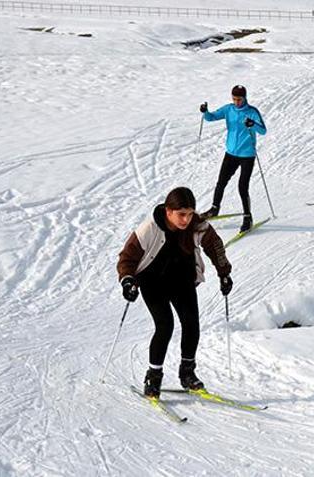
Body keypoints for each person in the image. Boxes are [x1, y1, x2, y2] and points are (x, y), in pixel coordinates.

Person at [117, 187, 233, 399]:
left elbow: (215, 246)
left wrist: (224, 273)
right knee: (165, 325)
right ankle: (153, 377)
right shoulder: (149, 228)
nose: (186, 220)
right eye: (181, 214)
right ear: (168, 211)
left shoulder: (197, 225)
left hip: (182, 279)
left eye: (190, 214)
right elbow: (127, 257)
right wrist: (127, 280)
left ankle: (187, 373)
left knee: (191, 322)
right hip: (152, 281)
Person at [199, 85, 267, 232]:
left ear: (245, 97)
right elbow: (212, 117)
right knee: (221, 182)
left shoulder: (252, 112)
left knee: (242, 186)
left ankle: (248, 217)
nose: (236, 102)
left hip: (247, 155)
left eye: (239, 99)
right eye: (234, 99)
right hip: (231, 154)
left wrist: (252, 124)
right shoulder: (228, 109)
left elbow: (263, 130)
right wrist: (205, 112)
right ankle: (214, 209)